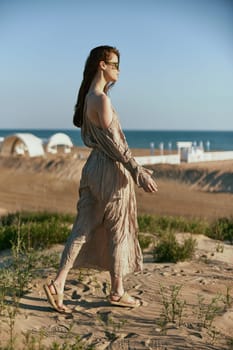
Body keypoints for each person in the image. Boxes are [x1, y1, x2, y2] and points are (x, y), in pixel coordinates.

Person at [43, 45, 158, 313]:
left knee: (83, 228)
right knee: (120, 229)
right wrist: (136, 169)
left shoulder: (88, 99)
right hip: (110, 170)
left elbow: (106, 143)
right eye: (115, 64)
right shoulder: (102, 100)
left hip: (92, 168)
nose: (119, 69)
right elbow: (115, 145)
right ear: (101, 65)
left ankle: (58, 284)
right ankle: (117, 291)